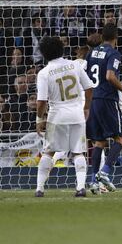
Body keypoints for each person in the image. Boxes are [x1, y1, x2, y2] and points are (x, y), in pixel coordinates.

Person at [35, 36, 93, 197]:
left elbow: (41, 102)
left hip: (56, 116)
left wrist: (39, 119)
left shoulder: (44, 73)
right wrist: (86, 107)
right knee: (79, 152)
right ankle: (80, 188)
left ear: (44, 54)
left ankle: (39, 189)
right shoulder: (75, 65)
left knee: (48, 152)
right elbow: (89, 88)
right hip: (76, 114)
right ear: (62, 49)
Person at [86, 23, 122, 194]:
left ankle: (93, 181)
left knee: (99, 142)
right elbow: (109, 76)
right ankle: (105, 172)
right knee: (120, 138)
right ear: (116, 37)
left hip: (94, 100)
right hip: (108, 99)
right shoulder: (114, 53)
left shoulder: (91, 52)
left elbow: (86, 77)